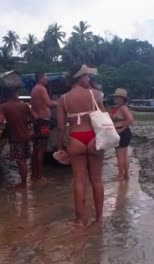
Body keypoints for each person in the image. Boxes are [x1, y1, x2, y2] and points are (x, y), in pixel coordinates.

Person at [56, 64, 106, 227]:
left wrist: (60, 147)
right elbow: (104, 118)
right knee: (97, 180)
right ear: (81, 77)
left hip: (75, 139)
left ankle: (79, 220)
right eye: (87, 76)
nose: (90, 79)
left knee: (79, 181)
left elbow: (61, 127)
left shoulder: (63, 99)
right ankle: (99, 219)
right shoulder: (96, 94)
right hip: (93, 138)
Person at [0, 88, 35, 190]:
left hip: (15, 137)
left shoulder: (4, 106)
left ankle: (24, 184)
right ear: (15, 95)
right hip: (26, 136)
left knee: (20, 161)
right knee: (24, 160)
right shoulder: (24, 105)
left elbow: (0, 121)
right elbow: (34, 118)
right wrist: (25, 123)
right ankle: (24, 182)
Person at [30, 72, 57, 181]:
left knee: (36, 148)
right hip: (43, 121)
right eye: (46, 76)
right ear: (40, 78)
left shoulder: (34, 89)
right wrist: (61, 102)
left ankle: (34, 174)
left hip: (37, 121)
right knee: (41, 148)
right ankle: (40, 177)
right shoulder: (41, 88)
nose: (47, 78)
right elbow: (49, 104)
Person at [110, 88, 134, 181]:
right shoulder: (120, 107)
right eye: (115, 97)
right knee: (124, 155)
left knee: (120, 156)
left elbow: (130, 119)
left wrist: (121, 129)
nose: (115, 98)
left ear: (122, 98)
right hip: (123, 133)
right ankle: (126, 175)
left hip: (122, 133)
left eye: (117, 97)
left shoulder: (123, 108)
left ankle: (120, 176)